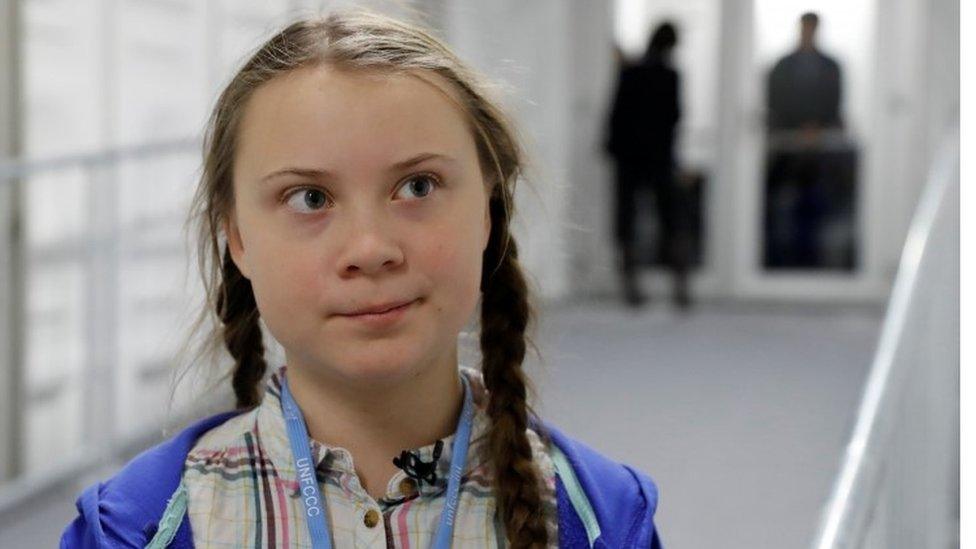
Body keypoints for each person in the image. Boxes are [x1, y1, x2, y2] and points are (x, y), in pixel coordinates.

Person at [60, 10, 662, 548]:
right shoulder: (140, 526)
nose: (370, 250)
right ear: (237, 238)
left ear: (487, 210)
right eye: (310, 197)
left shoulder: (599, 517)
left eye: (417, 186)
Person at [605, 22, 690, 309]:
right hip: (659, 157)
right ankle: (680, 287)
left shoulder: (631, 71)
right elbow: (675, 117)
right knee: (670, 220)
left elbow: (616, 114)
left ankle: (631, 288)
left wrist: (613, 149)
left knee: (627, 221)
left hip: (629, 157)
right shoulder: (670, 75)